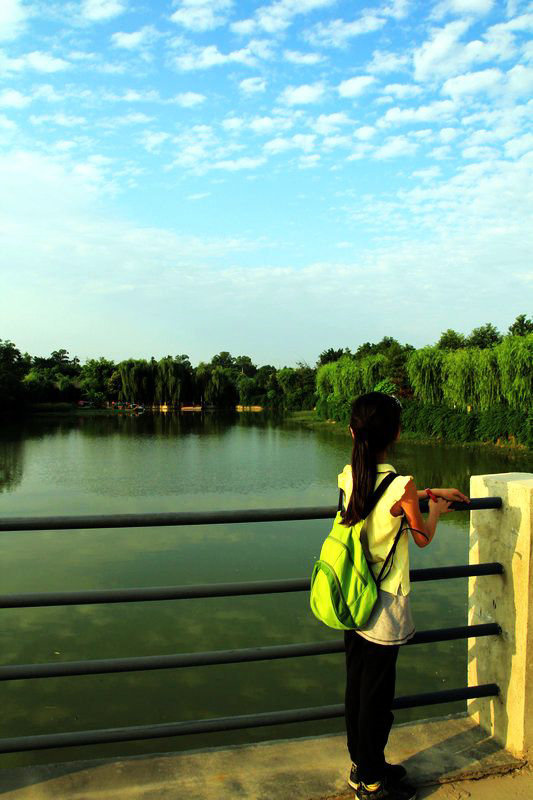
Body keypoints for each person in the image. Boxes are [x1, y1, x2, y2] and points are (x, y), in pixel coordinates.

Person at [338, 392, 469, 800]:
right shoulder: (403, 486)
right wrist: (435, 509)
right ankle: (374, 785)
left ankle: (362, 767)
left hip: (352, 596)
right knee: (378, 698)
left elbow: (383, 502)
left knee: (358, 689)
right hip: (384, 608)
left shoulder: (347, 475)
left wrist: (423, 494)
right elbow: (422, 536)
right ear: (396, 433)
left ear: (352, 432)